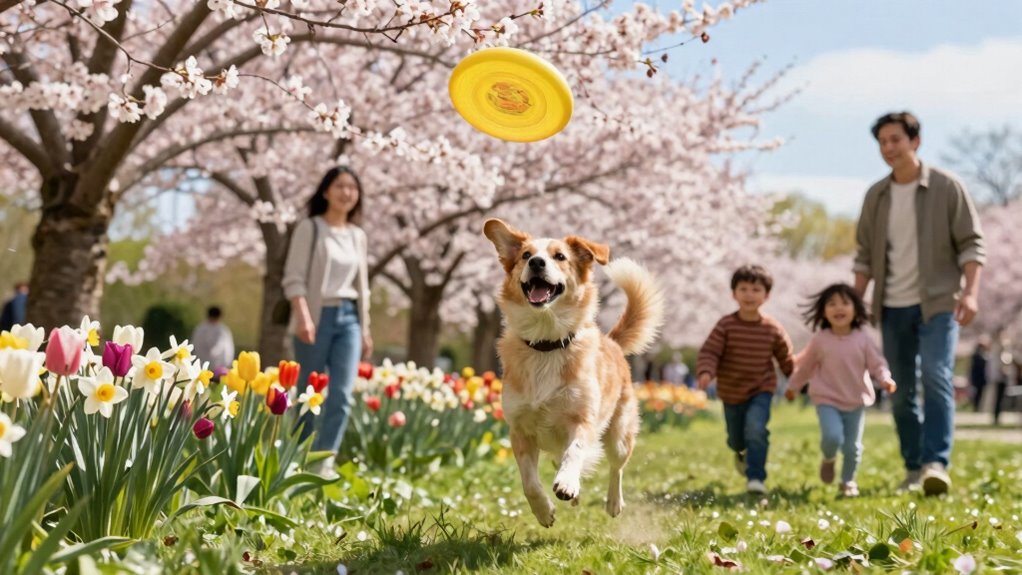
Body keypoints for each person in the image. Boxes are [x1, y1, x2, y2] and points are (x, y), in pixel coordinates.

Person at [854, 111, 985, 496]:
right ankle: (914, 466)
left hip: (938, 303)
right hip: (891, 306)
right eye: (882, 142)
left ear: (916, 141)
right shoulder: (875, 196)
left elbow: (971, 244)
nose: (889, 148)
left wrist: (972, 292)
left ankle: (935, 464)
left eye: (896, 139)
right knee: (900, 391)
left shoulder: (947, 187)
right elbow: (863, 255)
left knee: (936, 375)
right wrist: (855, 301)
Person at [282, 166, 373, 474]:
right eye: (340, 186)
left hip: (349, 319)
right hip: (317, 317)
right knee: (309, 392)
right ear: (325, 191)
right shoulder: (311, 228)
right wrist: (304, 318)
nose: (346, 192)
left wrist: (365, 330)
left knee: (342, 394)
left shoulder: (358, 236)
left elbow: (363, 288)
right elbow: (293, 278)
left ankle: (323, 463)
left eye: (352, 187)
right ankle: (298, 459)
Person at [784, 283, 897, 498]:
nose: (839, 308)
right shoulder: (820, 340)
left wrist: (885, 379)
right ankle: (829, 459)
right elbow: (805, 367)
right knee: (832, 437)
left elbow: (877, 364)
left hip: (855, 400)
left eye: (845, 303)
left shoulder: (863, 339)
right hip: (826, 399)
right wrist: (793, 387)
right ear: (823, 311)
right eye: (832, 303)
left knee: (852, 447)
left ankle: (848, 482)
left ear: (856, 309)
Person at [697, 265, 795, 495]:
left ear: (766, 295)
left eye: (756, 289)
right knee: (736, 439)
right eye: (743, 289)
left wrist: (798, 383)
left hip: (761, 389)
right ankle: (740, 452)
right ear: (734, 294)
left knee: (757, 428)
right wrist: (706, 372)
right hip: (731, 391)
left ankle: (756, 478)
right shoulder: (726, 325)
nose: (749, 294)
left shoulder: (773, 328)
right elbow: (710, 352)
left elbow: (786, 359)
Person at [190, 306, 235, 374]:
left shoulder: (223, 330)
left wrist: (225, 366)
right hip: (200, 366)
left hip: (218, 369)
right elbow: (195, 346)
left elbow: (228, 350)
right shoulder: (201, 329)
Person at [968, 336, 990, 412]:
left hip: (982, 378)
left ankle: (979, 407)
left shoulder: (983, 355)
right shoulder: (976, 355)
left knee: (980, 394)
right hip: (977, 378)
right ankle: (976, 407)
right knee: (976, 394)